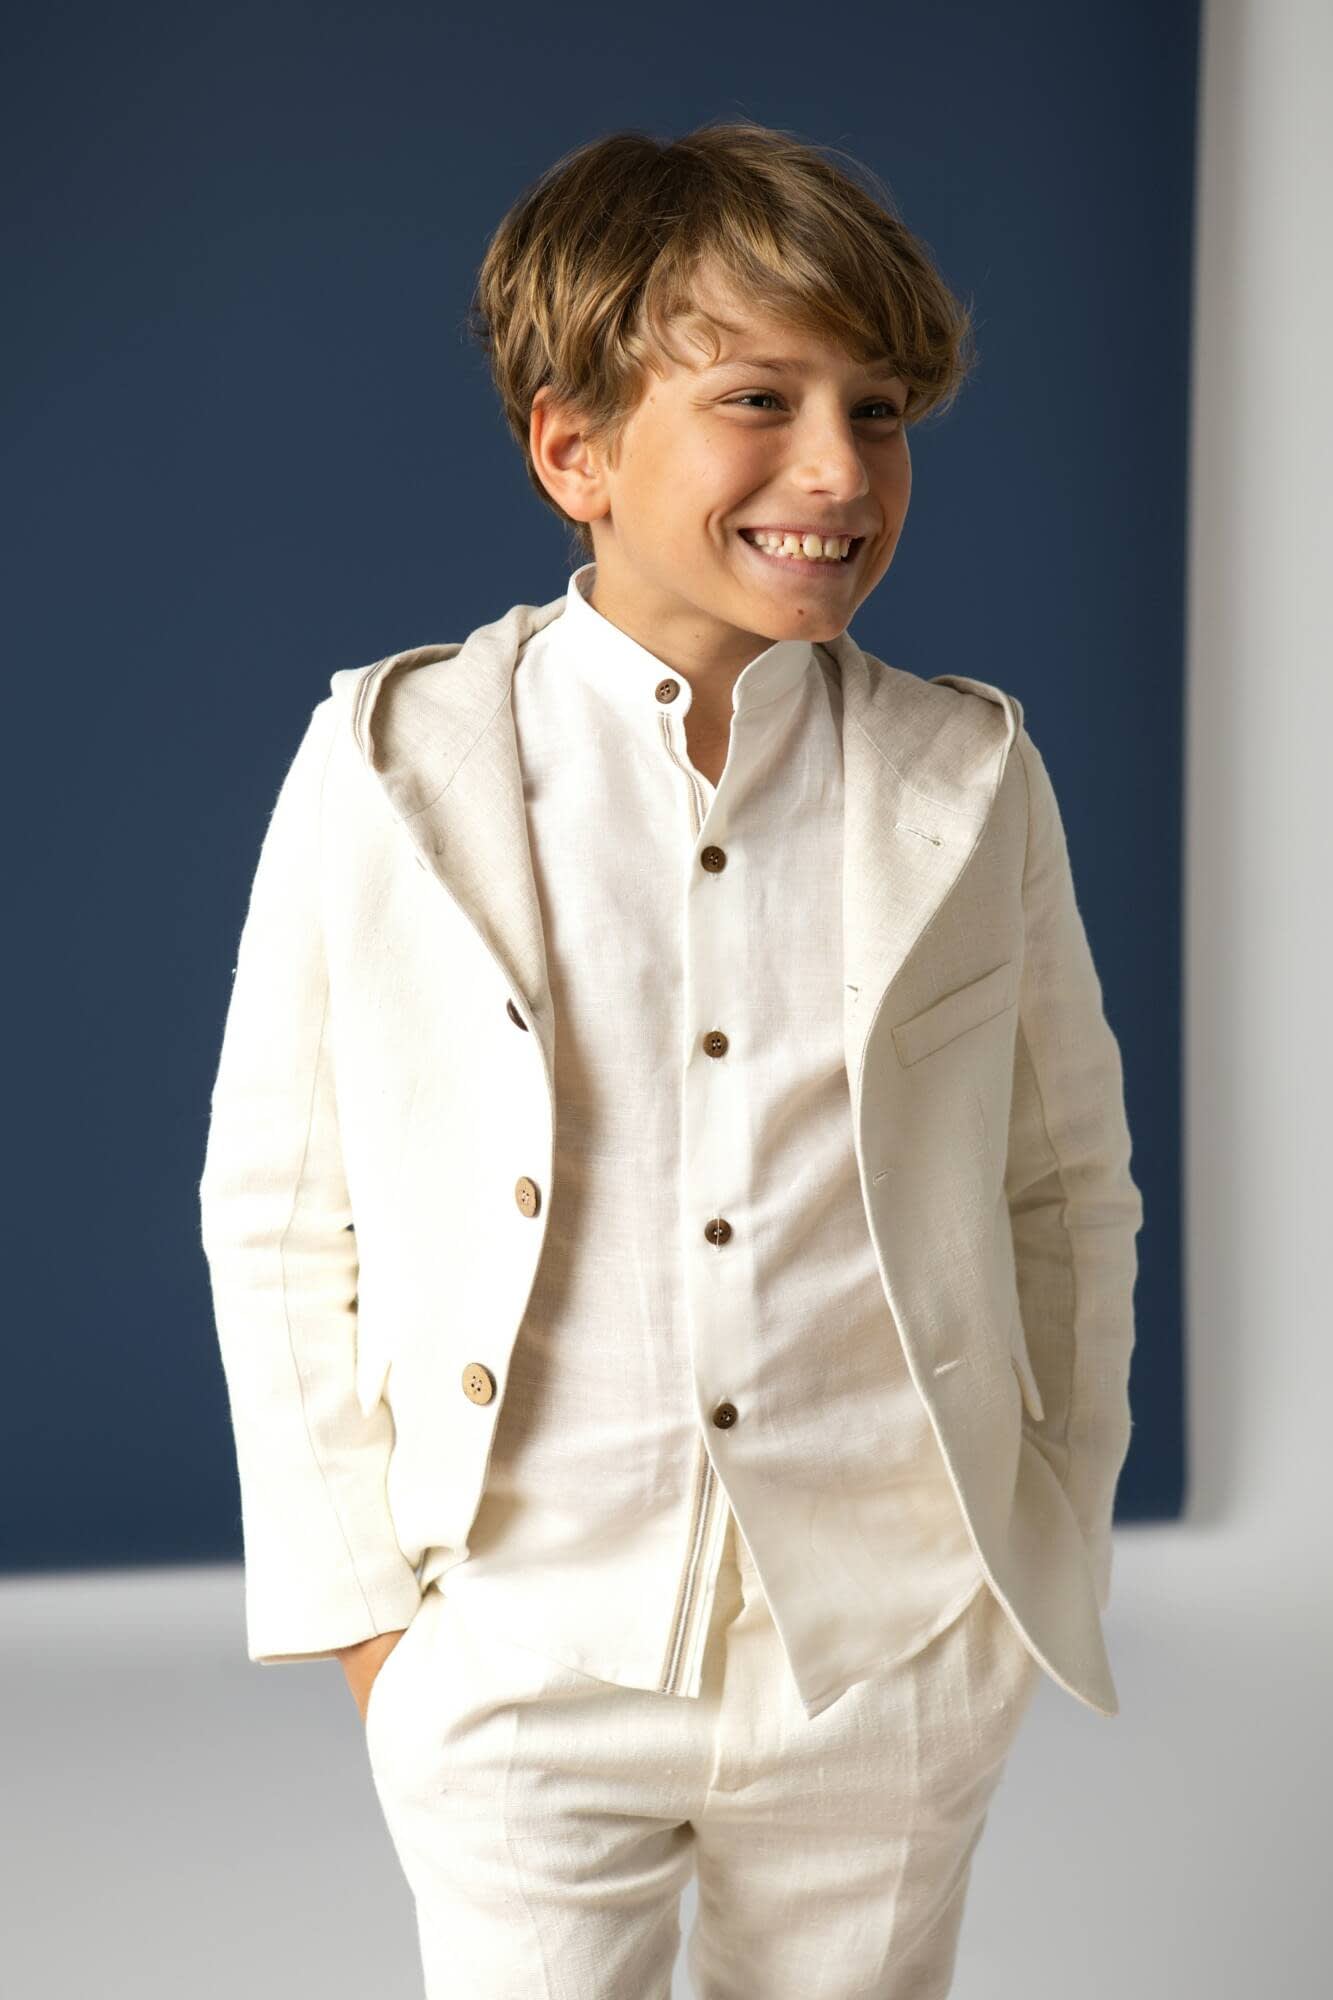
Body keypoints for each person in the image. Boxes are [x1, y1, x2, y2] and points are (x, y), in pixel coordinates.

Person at [198, 118, 1144, 2000]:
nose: (837, 468)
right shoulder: (390, 764)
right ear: (574, 451)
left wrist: (1031, 1545)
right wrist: (376, 1636)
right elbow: (279, 1208)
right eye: (757, 400)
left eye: (877, 412)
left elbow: (1066, 1190)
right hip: (519, 1648)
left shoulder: (969, 777)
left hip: (884, 1657)